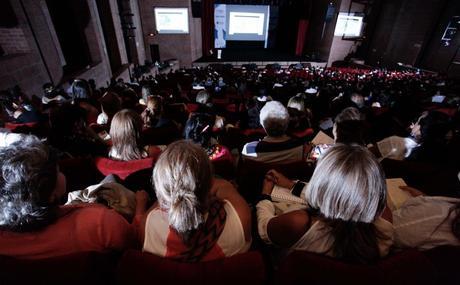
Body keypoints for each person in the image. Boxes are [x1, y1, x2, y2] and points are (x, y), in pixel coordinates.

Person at [0, 136, 136, 259]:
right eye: (58, 171)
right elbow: (136, 241)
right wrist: (141, 208)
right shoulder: (99, 222)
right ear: (51, 195)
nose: (62, 174)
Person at [256, 144, 393, 264]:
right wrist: (292, 185)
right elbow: (347, 198)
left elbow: (264, 229)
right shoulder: (385, 220)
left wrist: (265, 195)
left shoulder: (298, 223)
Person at [141, 140, 251, 261]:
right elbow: (225, 186)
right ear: (210, 182)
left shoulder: (148, 227)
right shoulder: (240, 217)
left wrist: (171, 191)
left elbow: (161, 201)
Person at [392, 185, 460, 250]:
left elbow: (392, 231)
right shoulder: (443, 211)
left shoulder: (440, 214)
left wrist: (426, 203)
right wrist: (425, 198)